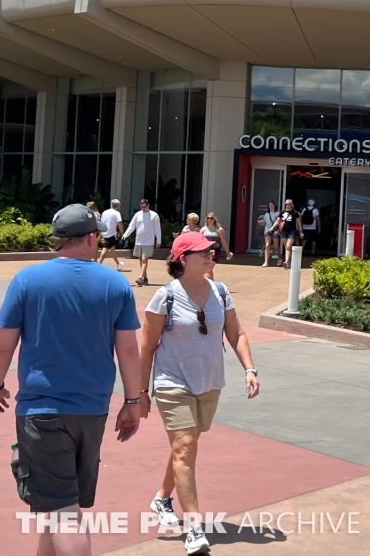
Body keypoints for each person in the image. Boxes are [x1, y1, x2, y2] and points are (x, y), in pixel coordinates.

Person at [0, 204, 141, 556]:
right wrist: (132, 402)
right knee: (56, 505)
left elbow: (0, 346)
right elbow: (129, 351)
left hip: (42, 411)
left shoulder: (27, 280)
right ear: (90, 237)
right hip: (92, 411)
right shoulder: (115, 284)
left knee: (61, 511)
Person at [139, 231, 259, 555]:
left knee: (186, 446)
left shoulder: (220, 292)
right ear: (182, 259)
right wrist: (140, 392)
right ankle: (194, 528)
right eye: (202, 251)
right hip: (171, 382)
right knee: (185, 446)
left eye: (211, 250)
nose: (210, 254)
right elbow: (147, 347)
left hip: (209, 382)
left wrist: (250, 368)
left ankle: (162, 497)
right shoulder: (164, 297)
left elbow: (237, 334)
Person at [124, 199, 162, 286]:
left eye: (144, 206)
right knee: (141, 261)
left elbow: (157, 229)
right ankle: (145, 278)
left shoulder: (154, 215)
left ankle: (140, 277)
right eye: (141, 207)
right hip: (139, 241)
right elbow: (132, 226)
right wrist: (126, 234)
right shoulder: (137, 215)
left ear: (148, 205)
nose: (143, 208)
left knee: (144, 260)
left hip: (149, 242)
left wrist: (158, 240)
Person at [200, 213, 233, 281]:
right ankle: (210, 285)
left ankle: (211, 287)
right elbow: (199, 240)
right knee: (207, 270)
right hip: (205, 251)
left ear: (214, 219)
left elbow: (223, 241)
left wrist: (228, 252)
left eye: (211, 218)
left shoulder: (219, 229)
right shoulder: (203, 229)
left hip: (215, 251)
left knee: (209, 269)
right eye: (208, 218)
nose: (209, 219)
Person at [98, 198, 126, 271]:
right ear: (118, 206)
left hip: (104, 232)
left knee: (112, 249)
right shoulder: (116, 213)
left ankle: (118, 263)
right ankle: (98, 264)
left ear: (111, 205)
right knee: (105, 250)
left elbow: (102, 222)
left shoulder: (104, 212)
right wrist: (123, 233)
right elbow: (120, 223)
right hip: (110, 233)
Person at [275, 199, 302, 270]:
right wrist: (272, 228)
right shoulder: (282, 212)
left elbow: (299, 223)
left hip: (292, 231)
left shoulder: (295, 213)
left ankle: (286, 262)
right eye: (286, 204)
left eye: (289, 204)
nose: (287, 206)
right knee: (286, 247)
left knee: (288, 246)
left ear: (292, 205)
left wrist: (300, 232)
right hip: (284, 231)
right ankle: (288, 261)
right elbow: (278, 221)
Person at [258, 202, 281, 267]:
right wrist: (261, 222)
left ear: (274, 206)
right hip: (267, 230)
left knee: (276, 246)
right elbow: (265, 223)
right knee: (267, 245)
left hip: (275, 230)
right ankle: (266, 261)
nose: (270, 206)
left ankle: (279, 258)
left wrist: (278, 230)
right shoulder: (266, 214)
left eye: (272, 205)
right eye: (269, 205)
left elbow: (280, 223)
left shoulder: (278, 213)